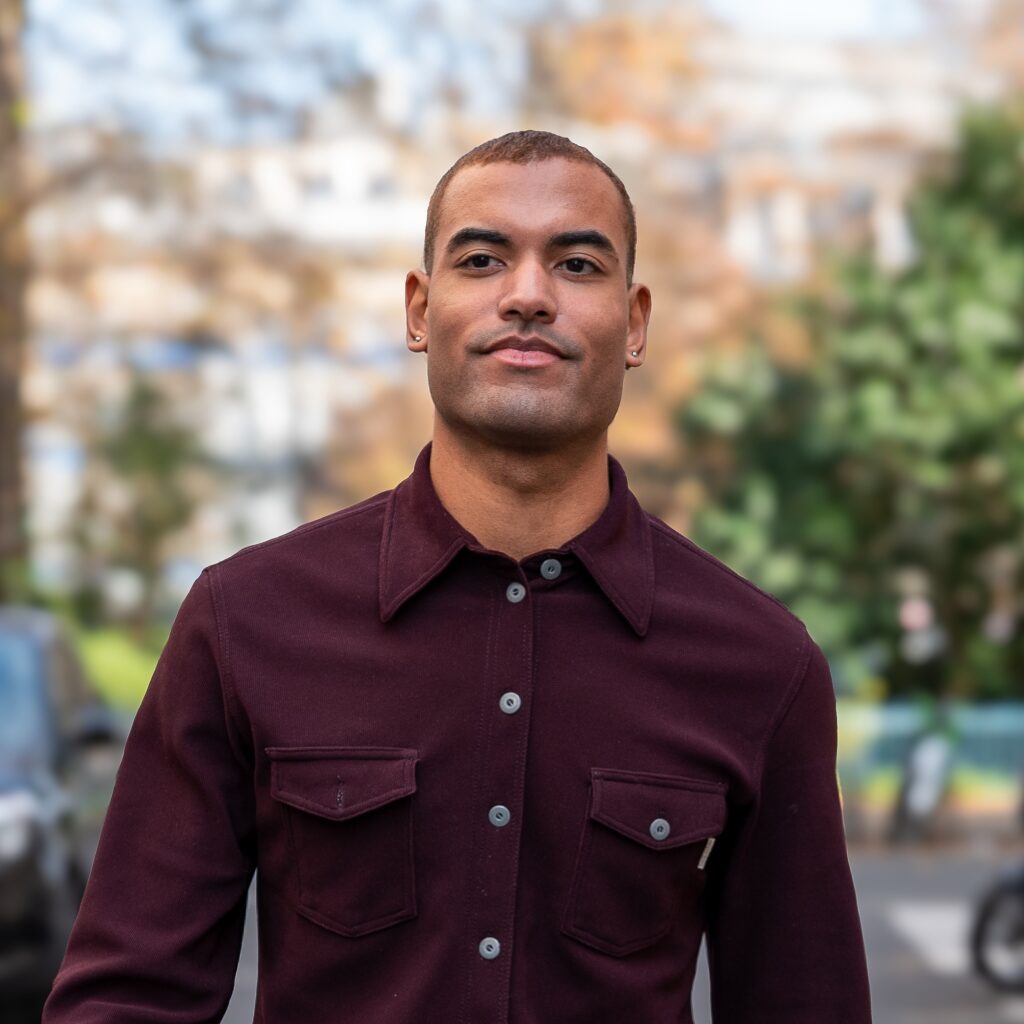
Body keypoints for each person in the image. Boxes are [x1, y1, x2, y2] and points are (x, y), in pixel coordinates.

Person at [43, 130, 872, 1023]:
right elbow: (128, 1000)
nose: (527, 295)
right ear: (417, 310)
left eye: (577, 265)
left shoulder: (761, 666)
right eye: (482, 259)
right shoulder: (245, 621)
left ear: (634, 325)